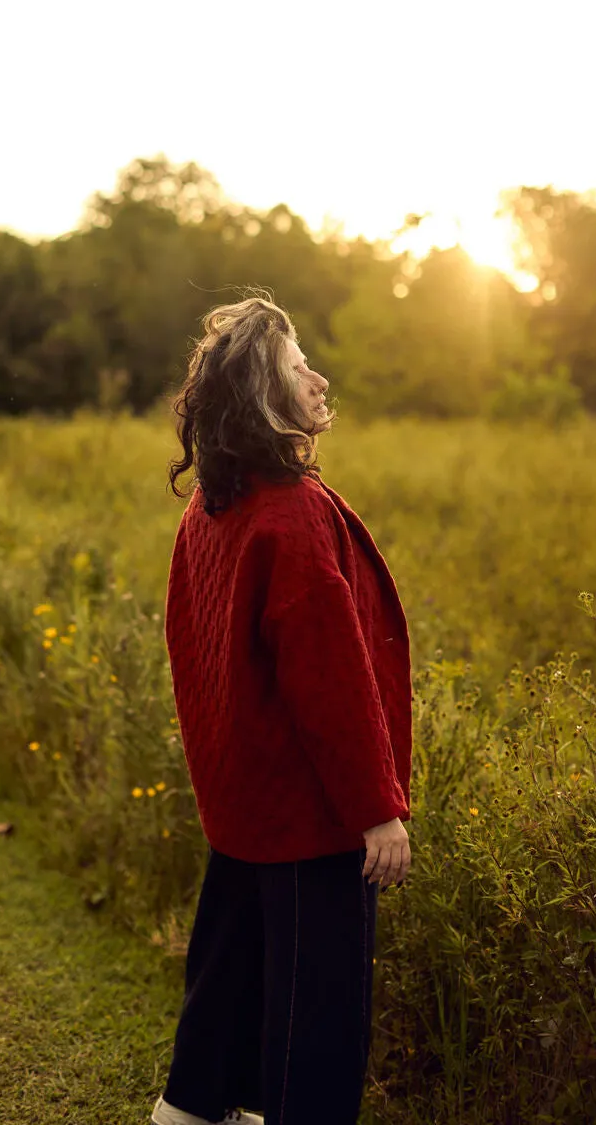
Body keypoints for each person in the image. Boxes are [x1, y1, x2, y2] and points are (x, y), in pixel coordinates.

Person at [151, 292, 413, 1125]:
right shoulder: (287, 514)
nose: (319, 377)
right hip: (307, 815)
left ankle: (191, 1109)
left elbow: (189, 645)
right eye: (301, 367)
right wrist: (376, 813)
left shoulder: (214, 502)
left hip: (244, 802)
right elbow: (329, 681)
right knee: (316, 1015)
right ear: (267, 394)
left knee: (229, 980)